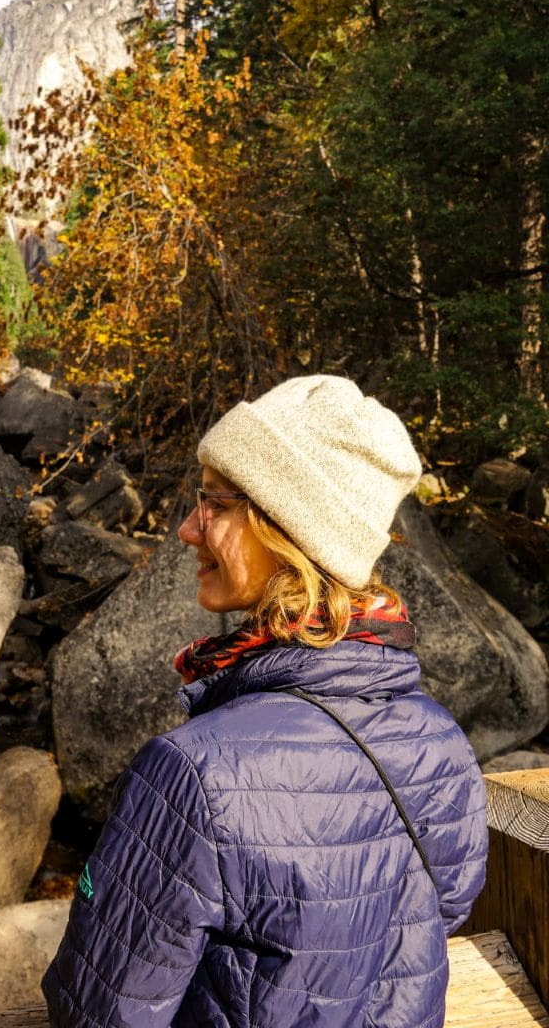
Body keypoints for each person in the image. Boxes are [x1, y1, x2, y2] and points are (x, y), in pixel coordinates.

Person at [42, 375, 488, 1028]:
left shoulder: (193, 774)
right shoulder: (441, 743)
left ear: (289, 532)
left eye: (216, 505)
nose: (189, 529)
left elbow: (98, 1012)